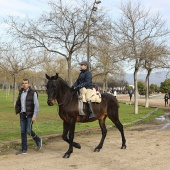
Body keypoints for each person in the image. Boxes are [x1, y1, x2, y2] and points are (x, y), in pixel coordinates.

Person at [15, 78, 42, 155]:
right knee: (23, 132)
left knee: (28, 131)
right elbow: (18, 102)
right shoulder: (21, 92)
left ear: (29, 84)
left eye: (26, 83)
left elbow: (37, 105)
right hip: (22, 115)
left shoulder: (33, 93)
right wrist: (18, 110)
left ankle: (38, 139)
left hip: (30, 115)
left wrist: (34, 116)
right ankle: (24, 149)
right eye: (23, 83)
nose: (24, 84)